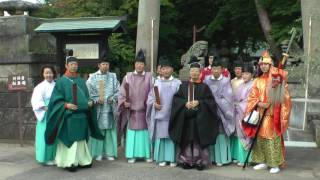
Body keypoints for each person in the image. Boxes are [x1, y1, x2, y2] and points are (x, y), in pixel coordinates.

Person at [45, 56, 103, 172]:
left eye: (76, 64)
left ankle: (83, 160)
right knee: (71, 140)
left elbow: (87, 97)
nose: (74, 66)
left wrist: (90, 102)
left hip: (82, 116)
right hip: (68, 117)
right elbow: (55, 102)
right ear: (66, 66)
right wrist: (66, 105)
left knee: (81, 141)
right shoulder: (61, 82)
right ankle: (69, 162)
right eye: (71, 64)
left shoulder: (81, 81)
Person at [243, 51, 291, 174]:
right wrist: (259, 103)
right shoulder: (257, 80)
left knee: (271, 138)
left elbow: (284, 96)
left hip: (272, 114)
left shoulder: (276, 79)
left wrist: (275, 99)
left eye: (266, 64)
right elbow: (252, 97)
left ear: (270, 65)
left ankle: (274, 163)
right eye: (261, 64)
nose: (263, 66)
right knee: (259, 138)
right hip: (260, 113)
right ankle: (262, 161)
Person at [169, 58, 220, 170]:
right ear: (190, 72)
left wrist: (199, 102)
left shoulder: (205, 87)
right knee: (187, 139)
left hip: (200, 119)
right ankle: (186, 161)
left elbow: (210, 102)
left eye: (197, 71)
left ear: (200, 73)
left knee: (198, 140)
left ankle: (200, 162)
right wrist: (184, 103)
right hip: (186, 119)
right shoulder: (183, 86)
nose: (194, 73)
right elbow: (176, 100)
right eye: (192, 71)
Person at [117, 49, 153, 163]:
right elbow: (121, 92)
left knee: (144, 133)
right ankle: (131, 155)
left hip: (144, 111)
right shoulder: (127, 77)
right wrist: (123, 102)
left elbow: (153, 92)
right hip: (131, 112)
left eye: (141, 64)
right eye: (137, 63)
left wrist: (149, 102)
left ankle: (146, 155)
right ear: (134, 64)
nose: (139, 66)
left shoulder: (149, 77)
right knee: (132, 133)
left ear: (144, 65)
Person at [146, 56, 181, 167]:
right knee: (161, 137)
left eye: (168, 68)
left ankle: (172, 159)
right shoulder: (157, 83)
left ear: (172, 70)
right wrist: (154, 104)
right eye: (164, 68)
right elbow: (150, 97)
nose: (165, 70)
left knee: (171, 137)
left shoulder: (177, 83)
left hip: (172, 115)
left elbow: (181, 99)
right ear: (161, 70)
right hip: (160, 115)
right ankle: (161, 158)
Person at [86, 52, 120, 161]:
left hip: (110, 108)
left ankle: (109, 153)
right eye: (103, 64)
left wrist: (113, 98)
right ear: (99, 65)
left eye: (107, 64)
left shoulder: (113, 77)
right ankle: (97, 153)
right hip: (98, 109)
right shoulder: (92, 77)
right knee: (98, 130)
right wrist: (96, 100)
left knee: (110, 131)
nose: (105, 66)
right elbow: (88, 93)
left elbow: (119, 91)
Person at [204, 60, 235, 166]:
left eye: (218, 69)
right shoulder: (206, 80)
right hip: (209, 111)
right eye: (214, 68)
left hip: (222, 112)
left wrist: (214, 102)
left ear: (222, 69)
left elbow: (228, 98)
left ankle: (222, 159)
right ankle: (211, 158)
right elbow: (204, 95)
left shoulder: (226, 81)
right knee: (211, 133)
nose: (216, 71)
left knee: (221, 134)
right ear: (211, 69)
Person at [31, 65, 57, 166]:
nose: (49, 75)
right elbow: (36, 101)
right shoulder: (39, 87)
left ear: (54, 73)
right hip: (46, 113)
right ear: (43, 74)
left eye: (50, 73)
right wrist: (46, 108)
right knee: (45, 134)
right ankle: (44, 158)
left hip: (56, 112)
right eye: (46, 73)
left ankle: (54, 156)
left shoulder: (57, 85)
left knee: (55, 135)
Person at [230, 63, 254, 166]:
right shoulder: (241, 85)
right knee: (239, 135)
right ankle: (240, 157)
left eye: (247, 74)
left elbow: (250, 101)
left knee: (246, 135)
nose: (244, 76)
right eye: (243, 73)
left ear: (252, 75)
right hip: (238, 112)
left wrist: (238, 105)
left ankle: (247, 159)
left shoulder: (253, 85)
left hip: (247, 113)